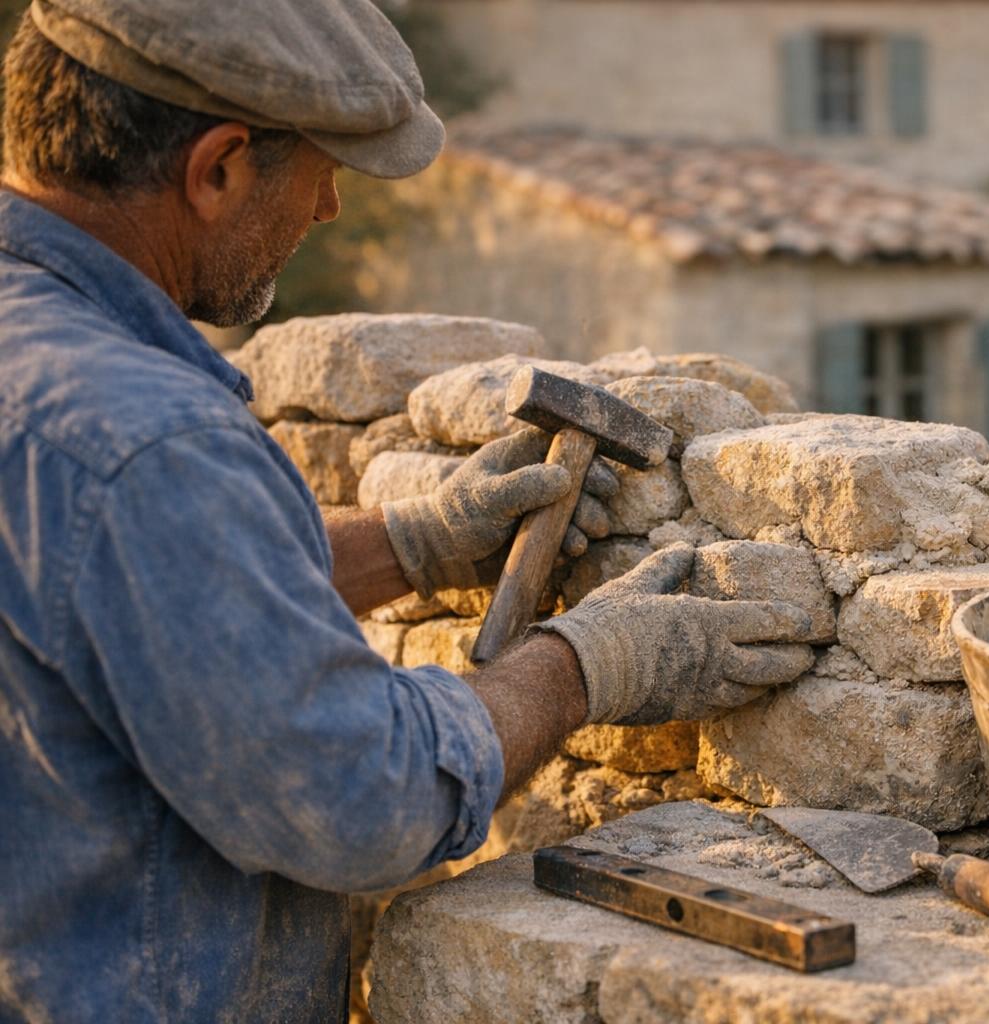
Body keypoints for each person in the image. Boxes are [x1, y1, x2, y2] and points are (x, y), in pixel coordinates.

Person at [0, 2, 815, 1020]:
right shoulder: (143, 441)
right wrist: (582, 666)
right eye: (323, 169)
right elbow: (363, 797)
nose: (330, 209)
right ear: (218, 168)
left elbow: (111, 596)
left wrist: (412, 544)